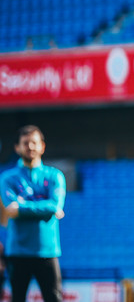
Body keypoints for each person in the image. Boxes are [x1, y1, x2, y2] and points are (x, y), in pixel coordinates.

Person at [0, 126, 65, 302]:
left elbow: (55, 205)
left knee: (54, 298)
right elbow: (9, 209)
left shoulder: (55, 176)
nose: (30, 147)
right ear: (17, 148)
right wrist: (47, 209)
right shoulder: (7, 178)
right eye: (25, 143)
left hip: (47, 251)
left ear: (42, 146)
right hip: (18, 252)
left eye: (34, 143)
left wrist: (21, 208)